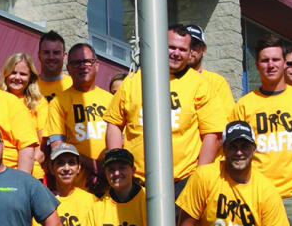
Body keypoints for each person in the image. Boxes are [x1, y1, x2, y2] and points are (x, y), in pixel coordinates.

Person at [228, 33, 292, 226]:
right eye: (265, 60)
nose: (271, 65)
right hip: (257, 197)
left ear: (284, 63)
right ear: (257, 65)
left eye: (276, 59)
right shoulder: (244, 105)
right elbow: (231, 153)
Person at [104, 24, 220, 191]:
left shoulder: (201, 85)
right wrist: (116, 165)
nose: (176, 53)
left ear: (189, 52)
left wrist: (199, 179)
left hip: (182, 181)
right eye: (171, 47)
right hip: (135, 181)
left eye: (182, 49)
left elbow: (212, 134)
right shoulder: (133, 81)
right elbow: (114, 123)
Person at [49, 43, 113, 186]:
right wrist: (94, 167)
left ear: (97, 65)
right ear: (69, 68)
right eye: (76, 63)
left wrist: (106, 169)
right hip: (76, 185)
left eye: (87, 61)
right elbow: (57, 146)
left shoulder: (111, 100)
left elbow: (122, 142)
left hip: (110, 180)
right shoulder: (58, 102)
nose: (82, 66)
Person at [0, 51, 49, 179]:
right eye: (13, 72)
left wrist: (32, 160)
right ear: (6, 74)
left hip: (31, 173)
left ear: (30, 77)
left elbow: (43, 142)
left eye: (23, 74)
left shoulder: (39, 103)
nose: (17, 77)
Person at [185, 24, 235, 123]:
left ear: (203, 50)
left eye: (195, 45)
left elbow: (228, 119)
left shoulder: (217, 82)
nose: (190, 50)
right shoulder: (169, 80)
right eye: (186, 45)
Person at [35, 30, 72, 100]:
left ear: (64, 56)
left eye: (56, 53)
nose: (51, 57)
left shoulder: (74, 85)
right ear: (39, 55)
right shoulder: (29, 86)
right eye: (46, 52)